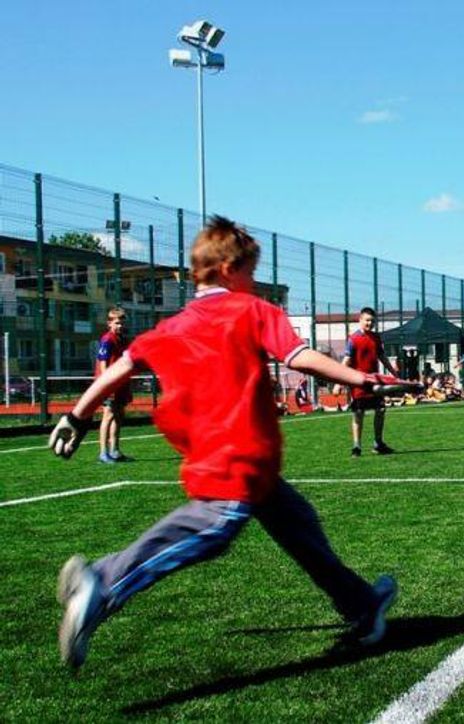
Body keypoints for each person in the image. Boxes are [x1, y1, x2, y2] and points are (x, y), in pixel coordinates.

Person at [48, 216, 397, 670]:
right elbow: (299, 357)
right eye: (251, 272)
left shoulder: (174, 324)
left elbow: (123, 367)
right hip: (239, 455)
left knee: (298, 524)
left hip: (241, 461)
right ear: (231, 269)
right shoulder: (252, 310)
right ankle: (104, 583)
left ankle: (362, 604)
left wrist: (76, 416)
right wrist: (362, 379)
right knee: (215, 526)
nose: (254, 281)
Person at [339, 307, 400, 457]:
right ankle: (356, 446)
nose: (370, 323)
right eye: (367, 320)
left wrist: (393, 373)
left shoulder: (376, 337)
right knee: (358, 413)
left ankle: (378, 444)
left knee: (381, 410)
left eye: (372, 321)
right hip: (359, 382)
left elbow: (382, 357)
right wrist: (338, 382)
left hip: (374, 381)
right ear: (360, 320)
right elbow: (346, 361)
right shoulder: (353, 339)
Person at [95, 307, 131, 464]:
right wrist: (106, 383)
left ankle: (114, 450)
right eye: (117, 323)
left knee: (118, 416)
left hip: (120, 383)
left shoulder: (123, 339)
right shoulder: (107, 339)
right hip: (110, 384)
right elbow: (103, 362)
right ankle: (103, 453)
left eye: (122, 323)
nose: (120, 326)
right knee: (108, 416)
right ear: (109, 323)